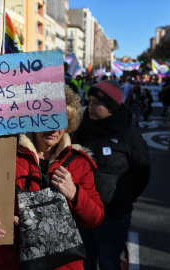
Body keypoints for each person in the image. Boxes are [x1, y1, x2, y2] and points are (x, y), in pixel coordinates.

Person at [0, 85, 105, 270]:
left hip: (61, 263)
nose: (53, 127)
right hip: (12, 259)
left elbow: (95, 218)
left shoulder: (79, 162)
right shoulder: (8, 155)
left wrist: (75, 194)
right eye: (46, 119)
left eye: (60, 119)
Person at [71, 80, 151, 270]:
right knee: (83, 261)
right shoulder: (79, 132)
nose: (90, 106)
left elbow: (142, 174)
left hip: (113, 216)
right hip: (83, 211)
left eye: (97, 103)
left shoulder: (130, 138)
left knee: (109, 262)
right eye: (89, 101)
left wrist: (123, 198)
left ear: (112, 108)